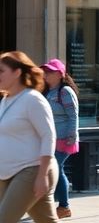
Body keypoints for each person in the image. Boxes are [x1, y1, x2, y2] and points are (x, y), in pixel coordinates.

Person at [0, 51, 58, 223]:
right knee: (46, 220)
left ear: (17, 72)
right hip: (7, 172)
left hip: (31, 170)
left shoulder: (32, 99)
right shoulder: (5, 100)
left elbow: (48, 136)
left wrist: (42, 176)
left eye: (1, 71)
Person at [41, 59, 79, 220]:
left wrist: (72, 136)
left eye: (50, 72)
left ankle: (64, 206)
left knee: (56, 170)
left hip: (63, 139)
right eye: (45, 71)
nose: (46, 74)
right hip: (51, 138)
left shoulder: (65, 92)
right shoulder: (48, 91)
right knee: (54, 170)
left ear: (60, 74)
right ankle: (58, 205)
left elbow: (73, 116)